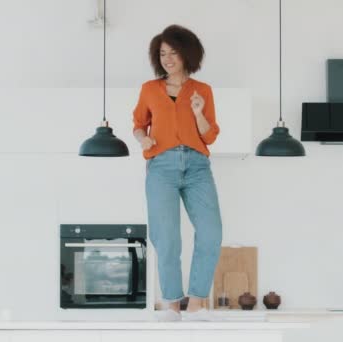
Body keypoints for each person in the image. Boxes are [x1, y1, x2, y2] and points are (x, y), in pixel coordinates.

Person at [132, 25, 222, 322]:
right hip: (161, 167)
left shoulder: (203, 91)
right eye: (162, 53)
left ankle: (195, 304)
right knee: (167, 237)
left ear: (187, 53)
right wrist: (143, 139)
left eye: (173, 52)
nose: (168, 58)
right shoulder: (149, 89)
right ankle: (171, 304)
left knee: (210, 233)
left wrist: (197, 113)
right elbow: (138, 124)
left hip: (197, 166)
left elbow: (209, 137)